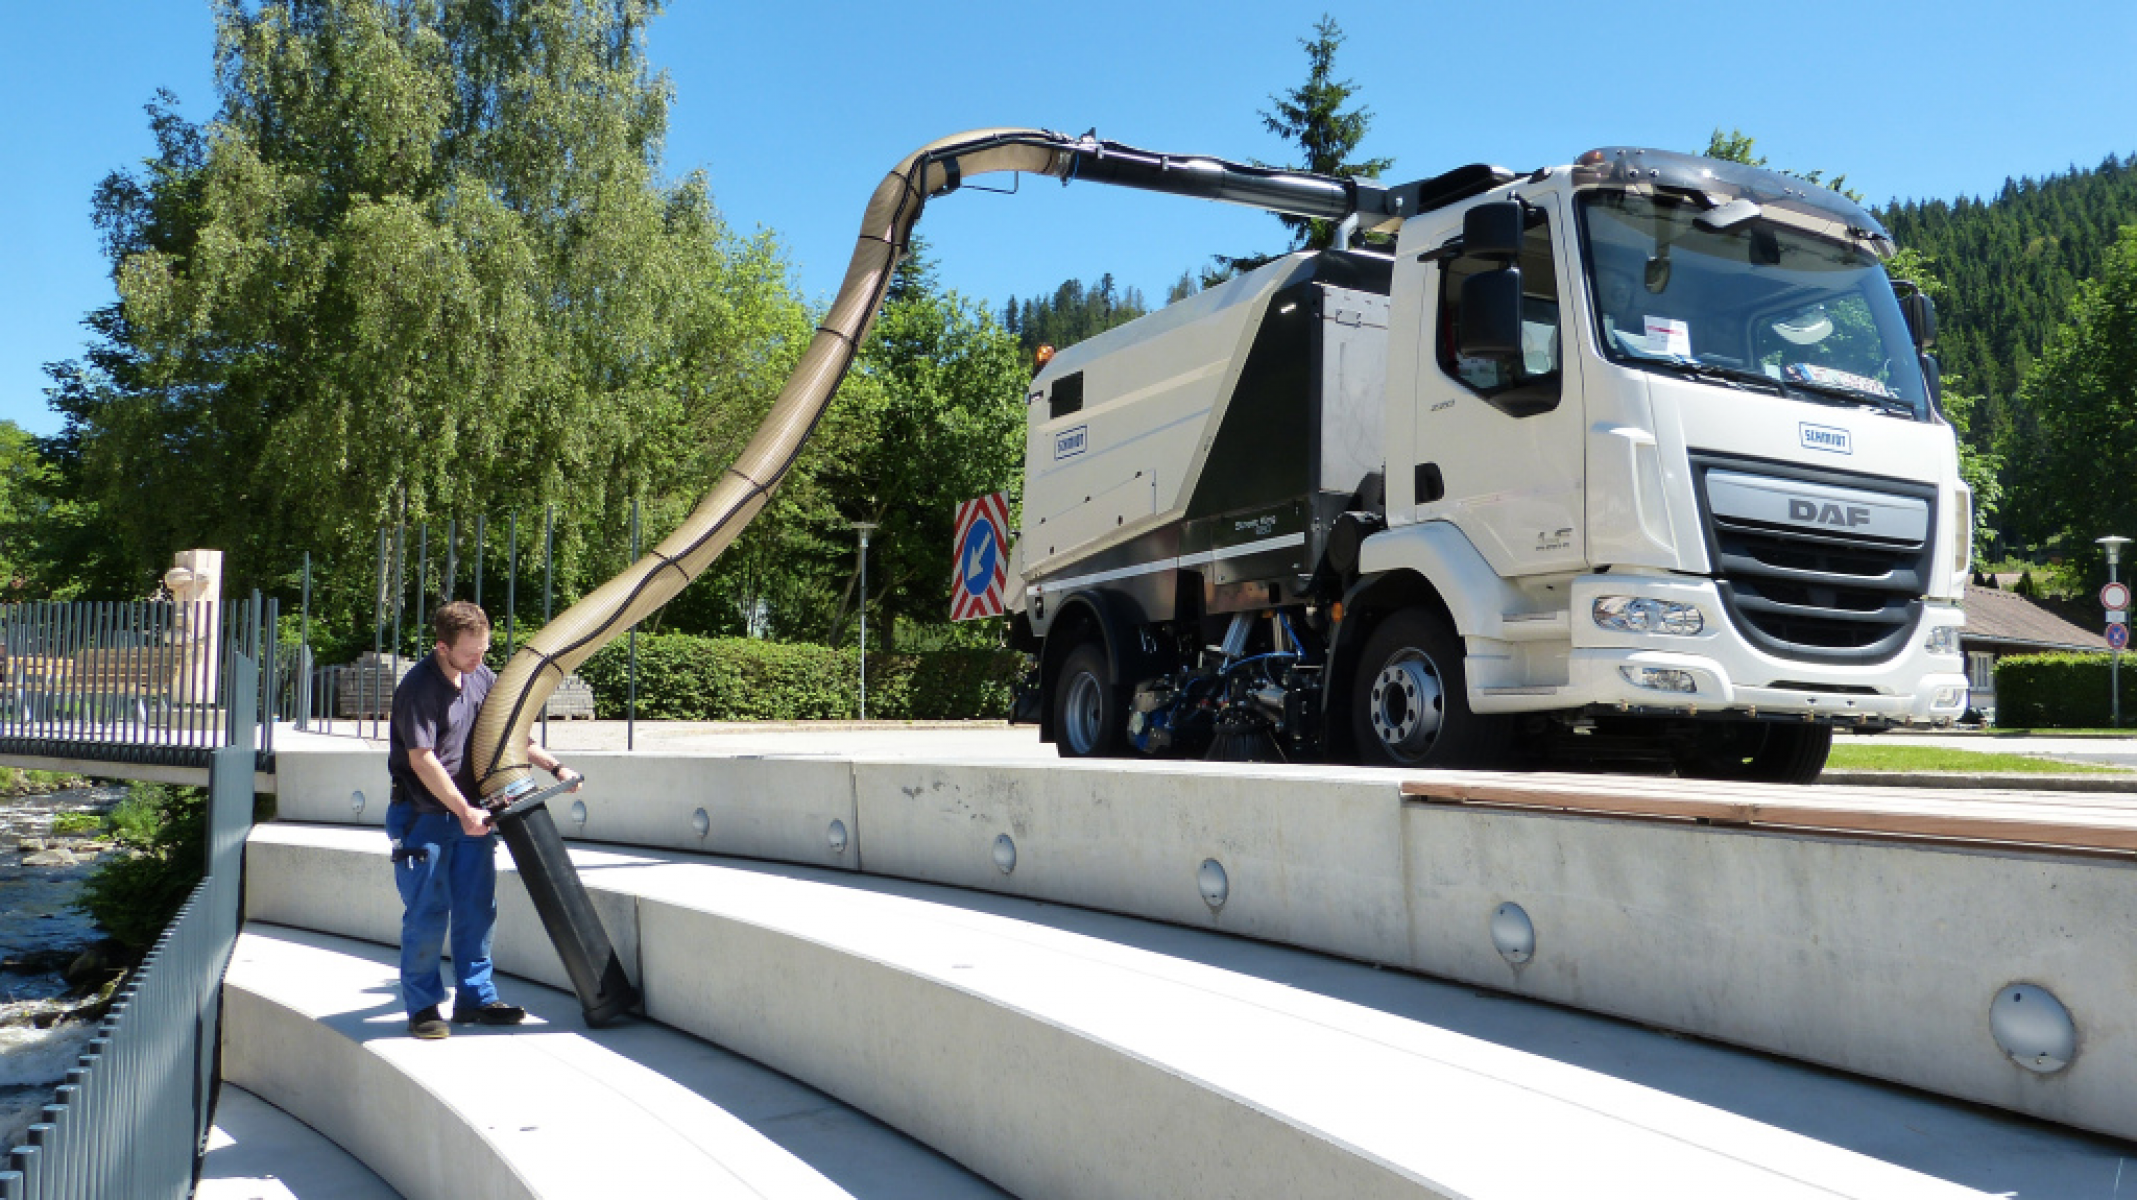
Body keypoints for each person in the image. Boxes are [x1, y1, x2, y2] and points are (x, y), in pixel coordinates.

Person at [386, 600, 582, 1040]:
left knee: (477, 909)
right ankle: (422, 1008)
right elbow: (422, 760)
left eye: (485, 651)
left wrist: (556, 768)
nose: (480, 661)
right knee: (428, 912)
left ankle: (475, 999)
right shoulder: (419, 688)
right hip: (424, 818)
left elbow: (510, 735)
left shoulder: (481, 677)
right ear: (442, 647)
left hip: (471, 818)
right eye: (471, 653)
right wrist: (464, 809)